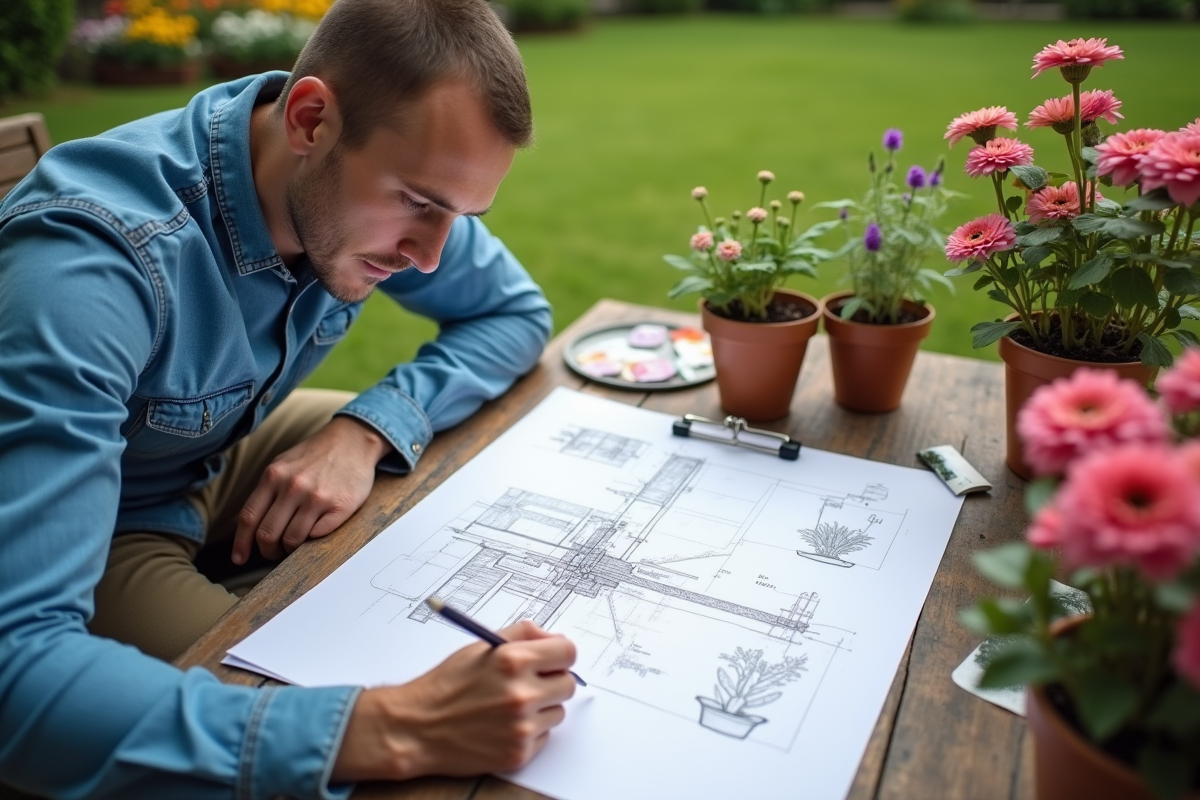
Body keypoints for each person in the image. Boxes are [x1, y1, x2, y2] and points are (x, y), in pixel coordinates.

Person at [0, 0, 579, 796]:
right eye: (419, 203)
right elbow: (18, 672)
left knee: (434, 488)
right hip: (98, 525)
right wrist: (393, 727)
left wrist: (367, 429)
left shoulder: (349, 170)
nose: (429, 256)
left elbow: (513, 311)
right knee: (321, 709)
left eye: (461, 216)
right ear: (310, 119)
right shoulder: (92, 273)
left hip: (207, 453)